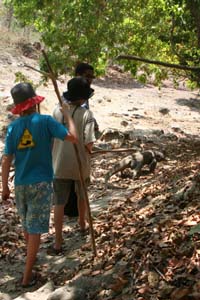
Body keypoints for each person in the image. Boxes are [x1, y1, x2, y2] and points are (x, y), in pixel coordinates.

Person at [1, 82, 77, 288]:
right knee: (34, 229)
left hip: (20, 185)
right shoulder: (45, 121)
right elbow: (73, 138)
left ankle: (31, 261)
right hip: (41, 183)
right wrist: (68, 116)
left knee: (28, 226)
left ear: (19, 107)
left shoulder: (13, 127)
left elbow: (6, 158)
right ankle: (27, 277)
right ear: (34, 102)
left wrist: (4, 187)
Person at [50, 77, 96, 255]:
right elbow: (89, 144)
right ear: (84, 97)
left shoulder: (56, 111)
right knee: (81, 194)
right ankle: (82, 223)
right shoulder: (87, 115)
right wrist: (90, 150)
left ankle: (58, 240)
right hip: (79, 164)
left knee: (59, 202)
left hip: (58, 164)